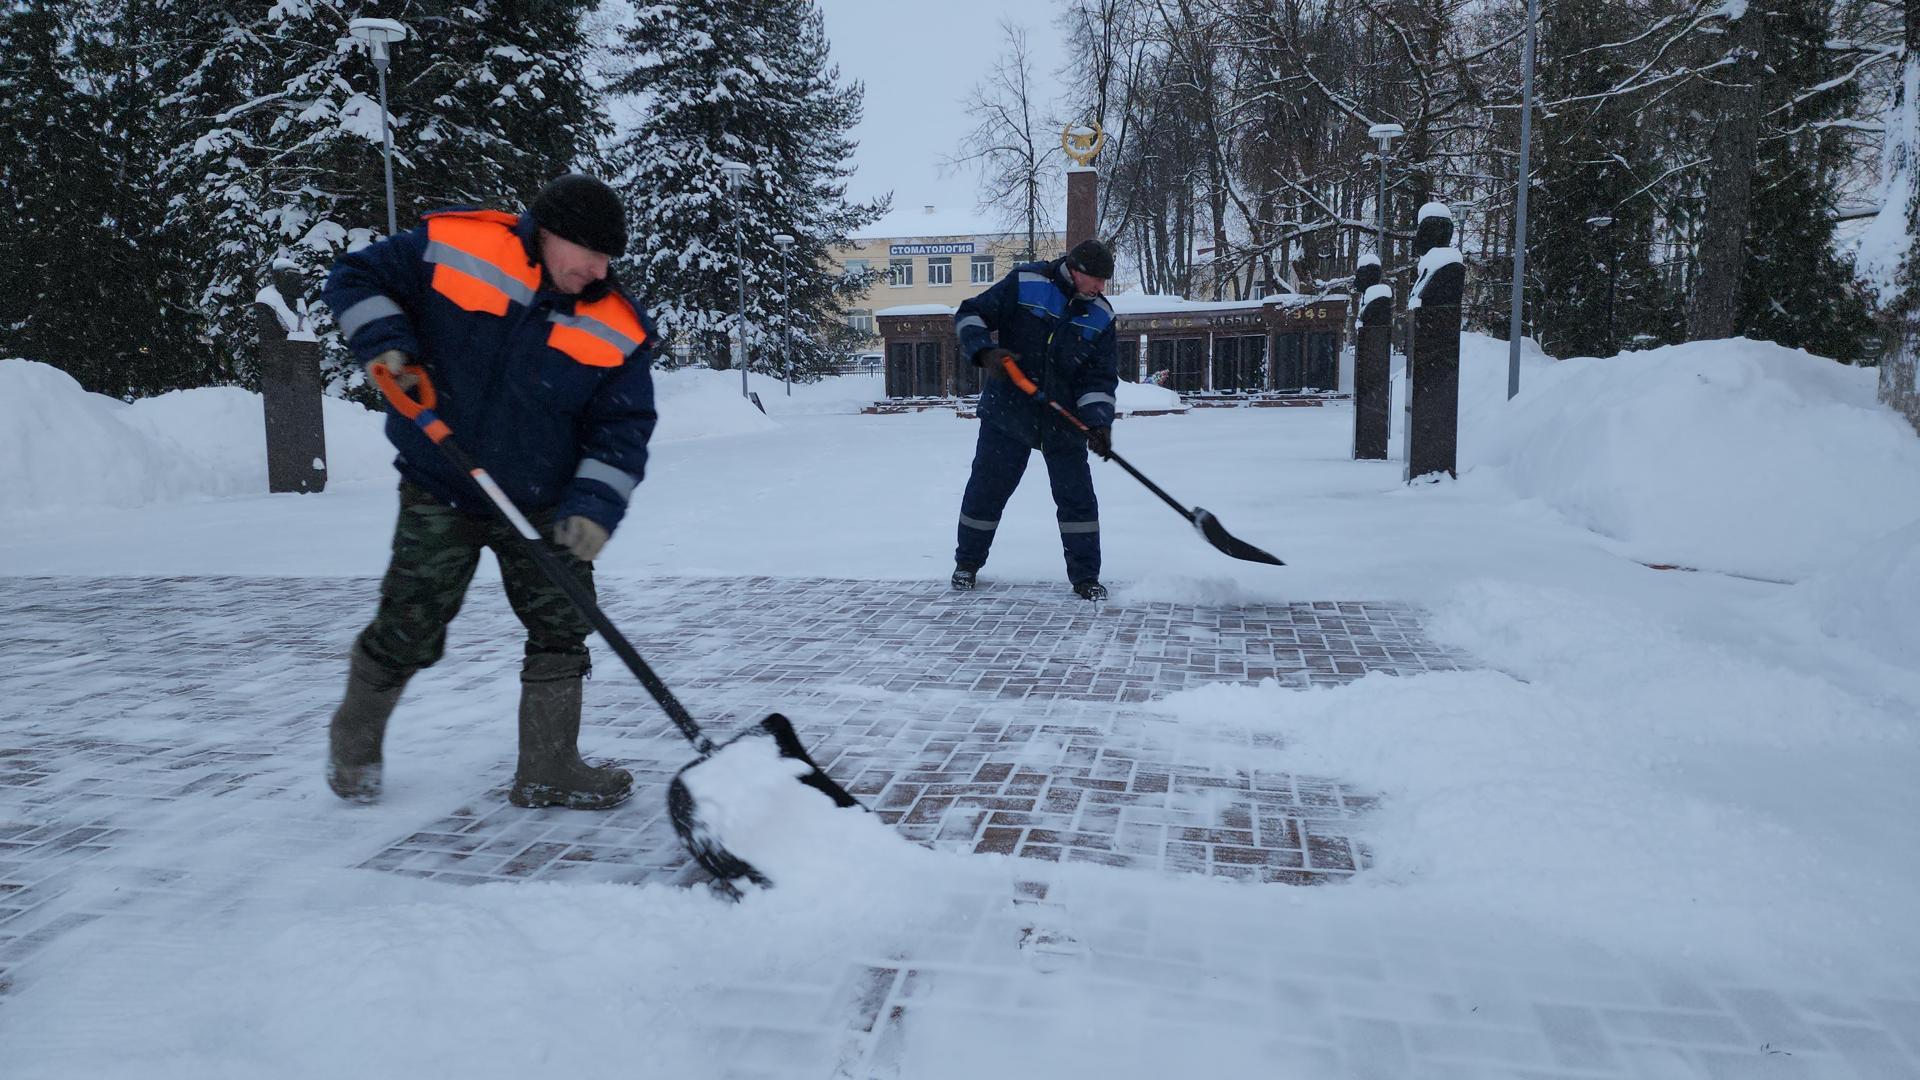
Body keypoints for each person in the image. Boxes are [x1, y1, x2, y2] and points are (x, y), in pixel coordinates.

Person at [320, 173, 659, 810]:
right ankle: (356, 733)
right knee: (411, 621)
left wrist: (593, 506)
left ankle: (549, 767)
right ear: (550, 232)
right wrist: (387, 344)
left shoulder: (617, 325)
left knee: (563, 624)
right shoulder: (458, 246)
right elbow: (355, 278)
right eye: (588, 252)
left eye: (608, 257)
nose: (597, 269)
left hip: (543, 498)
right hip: (441, 481)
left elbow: (622, 430)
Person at [950, 239, 1120, 600]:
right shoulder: (1027, 281)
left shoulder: (1102, 315)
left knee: (1078, 500)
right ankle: (967, 564)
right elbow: (969, 313)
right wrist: (985, 351)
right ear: (1075, 269)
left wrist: (1099, 423)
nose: (1101, 287)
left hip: (1064, 420)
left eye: (1105, 281)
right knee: (987, 490)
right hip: (1009, 410)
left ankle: (1086, 577)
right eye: (1096, 279)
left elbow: (1099, 379)